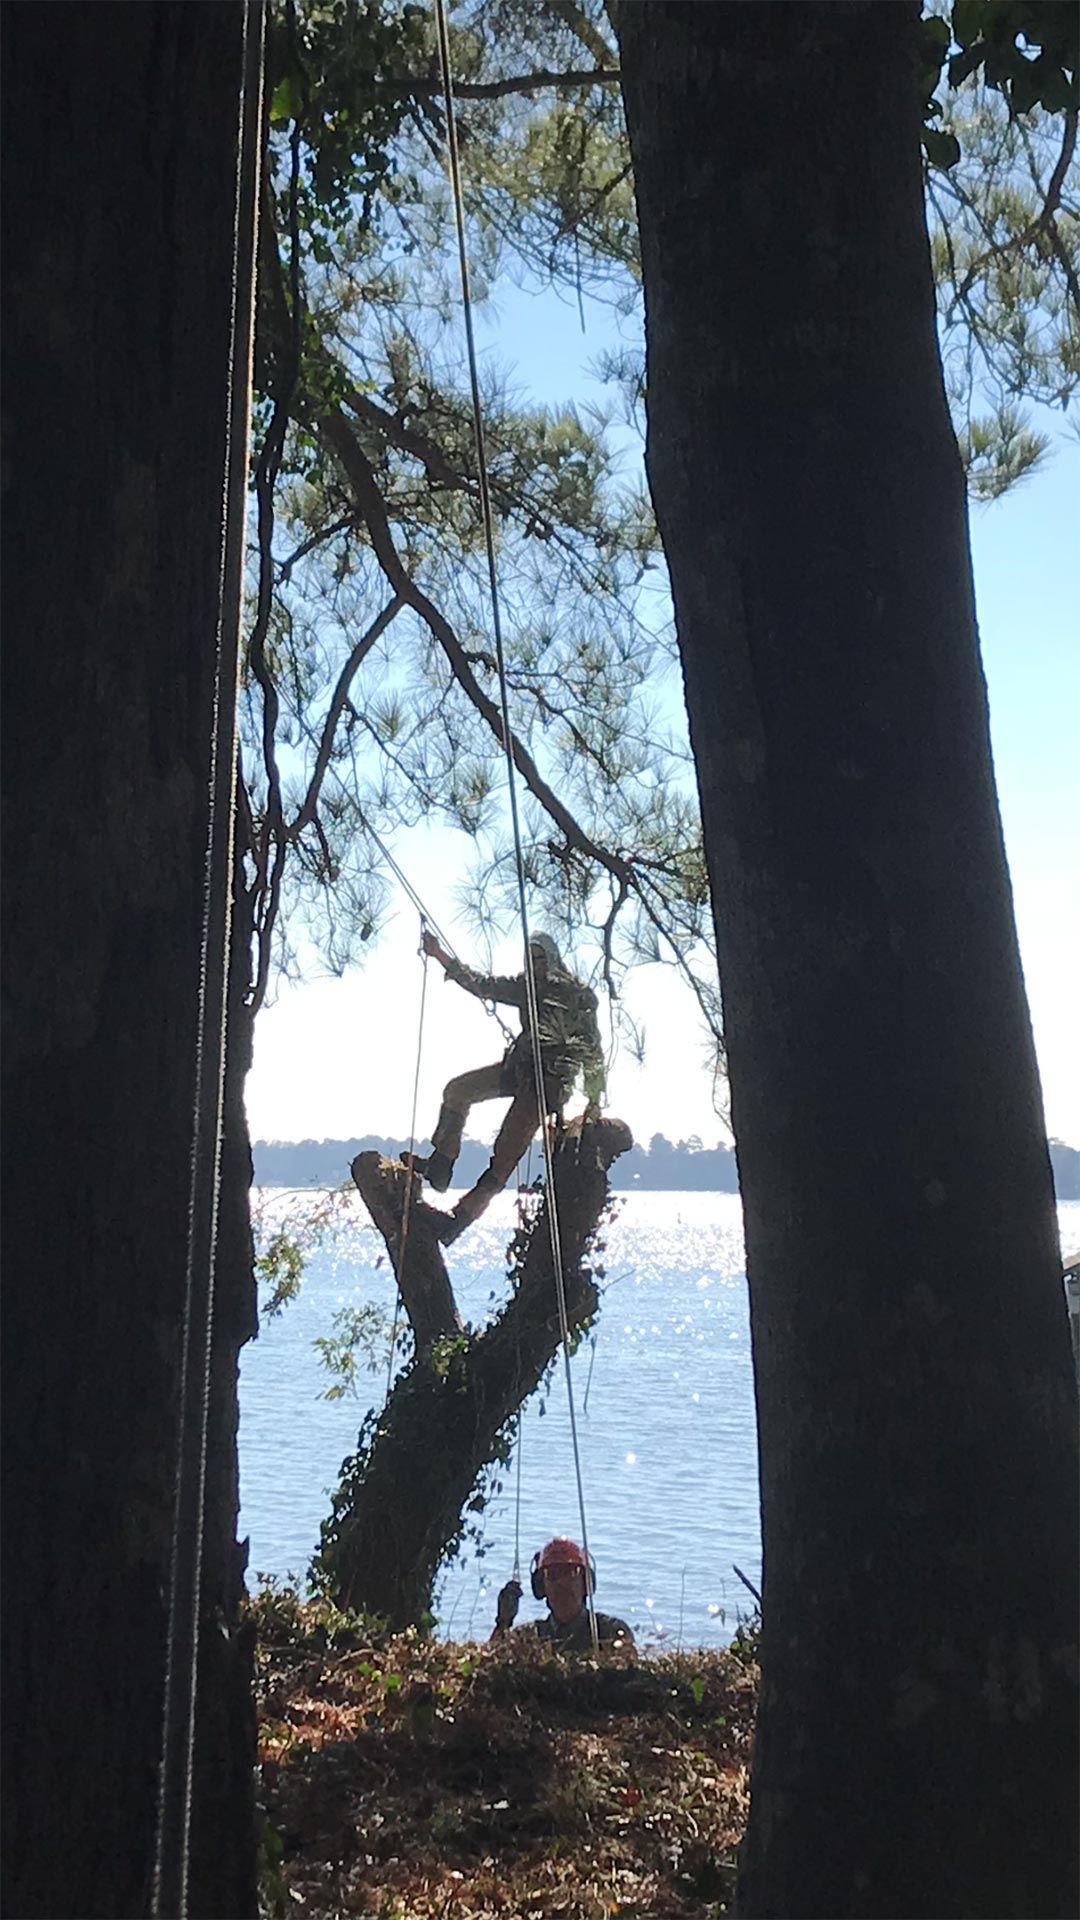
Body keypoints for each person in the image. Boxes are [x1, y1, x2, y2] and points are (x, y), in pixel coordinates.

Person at [404, 930, 606, 1241]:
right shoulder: (525, 987)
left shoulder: (577, 997)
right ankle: (441, 1165)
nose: (536, 966)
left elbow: (592, 1049)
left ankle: (457, 1221)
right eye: (531, 960)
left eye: (540, 960)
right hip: (519, 1069)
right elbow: (482, 985)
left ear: (553, 960)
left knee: (504, 1157)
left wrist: (594, 1100)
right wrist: (439, 954)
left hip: (547, 1085)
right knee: (457, 1091)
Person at [491, 1537, 635, 1653]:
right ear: (542, 1587)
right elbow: (489, 1666)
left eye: (570, 1573)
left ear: (586, 1582)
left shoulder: (610, 1632)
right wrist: (502, 1624)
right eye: (552, 1574)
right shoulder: (528, 1637)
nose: (561, 1583)